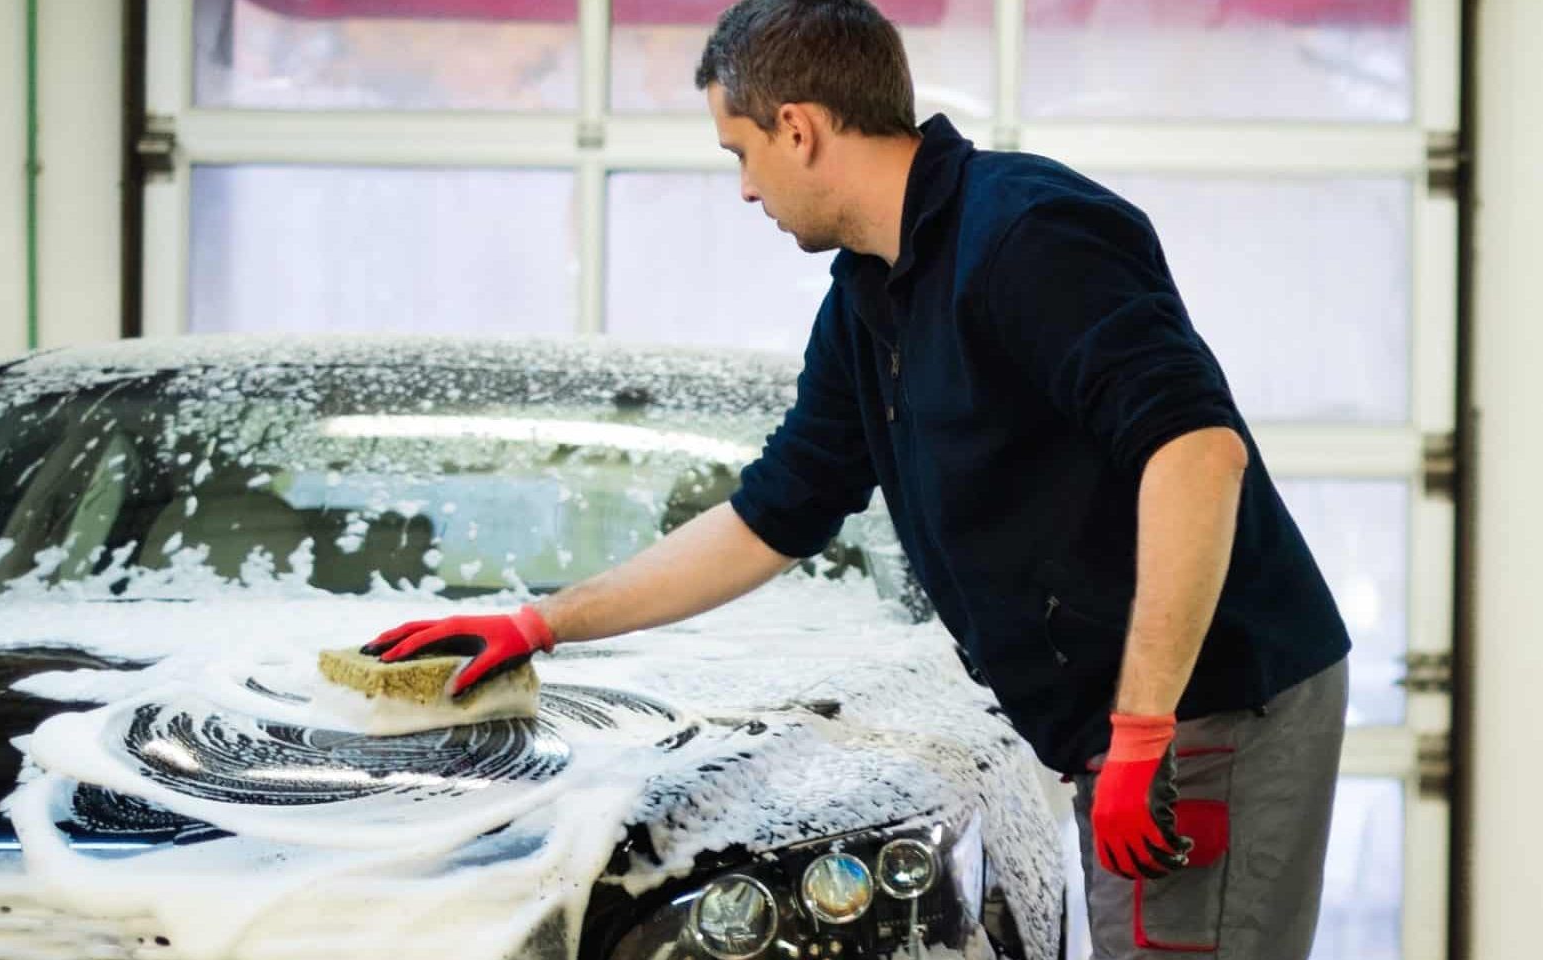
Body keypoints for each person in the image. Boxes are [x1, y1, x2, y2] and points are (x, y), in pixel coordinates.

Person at [365, 2, 1352, 956]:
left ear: (796, 129)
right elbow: (769, 519)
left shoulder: (1030, 236)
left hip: (1213, 706)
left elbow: (1195, 452)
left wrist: (1143, 733)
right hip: (1137, 723)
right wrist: (543, 624)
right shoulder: (868, 301)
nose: (745, 190)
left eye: (739, 152)